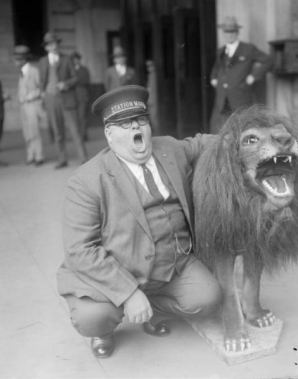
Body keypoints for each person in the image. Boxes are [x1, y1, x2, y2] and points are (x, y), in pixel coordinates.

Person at [56, 85, 221, 359]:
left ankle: (149, 309)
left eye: (142, 121)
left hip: (173, 265)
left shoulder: (170, 148)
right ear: (109, 134)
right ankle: (106, 329)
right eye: (125, 124)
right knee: (91, 317)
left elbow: (204, 142)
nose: (138, 129)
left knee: (208, 299)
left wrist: (250, 135)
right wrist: (129, 293)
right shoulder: (86, 180)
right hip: (120, 269)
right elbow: (79, 250)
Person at [209, 16, 273, 133]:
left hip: (240, 98)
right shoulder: (221, 51)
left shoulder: (248, 49)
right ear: (223, 33)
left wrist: (253, 76)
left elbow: (268, 61)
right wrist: (213, 78)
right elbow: (217, 67)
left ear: (237, 32)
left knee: (243, 130)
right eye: (227, 31)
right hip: (221, 100)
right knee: (218, 131)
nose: (229, 34)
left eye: (232, 31)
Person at [38, 32, 88, 169]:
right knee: (57, 132)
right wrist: (43, 95)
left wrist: (65, 84)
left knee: (75, 130)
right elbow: (42, 81)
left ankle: (83, 158)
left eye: (55, 43)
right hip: (51, 99)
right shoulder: (42, 62)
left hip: (67, 98)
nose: (54, 46)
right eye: (50, 44)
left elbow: (75, 78)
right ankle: (62, 159)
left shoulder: (67, 59)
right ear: (46, 47)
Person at [13, 45, 44, 166]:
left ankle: (39, 156)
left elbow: (41, 88)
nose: (15, 61)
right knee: (26, 132)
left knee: (34, 131)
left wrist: (31, 95)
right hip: (23, 106)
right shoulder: (21, 72)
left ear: (24, 59)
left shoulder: (34, 71)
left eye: (17, 59)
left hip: (32, 105)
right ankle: (30, 155)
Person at [71, 51, 91, 141]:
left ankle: (83, 135)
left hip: (82, 94)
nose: (76, 61)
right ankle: (77, 135)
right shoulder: (70, 70)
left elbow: (86, 81)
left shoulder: (84, 69)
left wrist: (73, 81)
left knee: (82, 116)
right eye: (74, 59)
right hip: (71, 96)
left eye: (77, 59)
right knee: (74, 117)